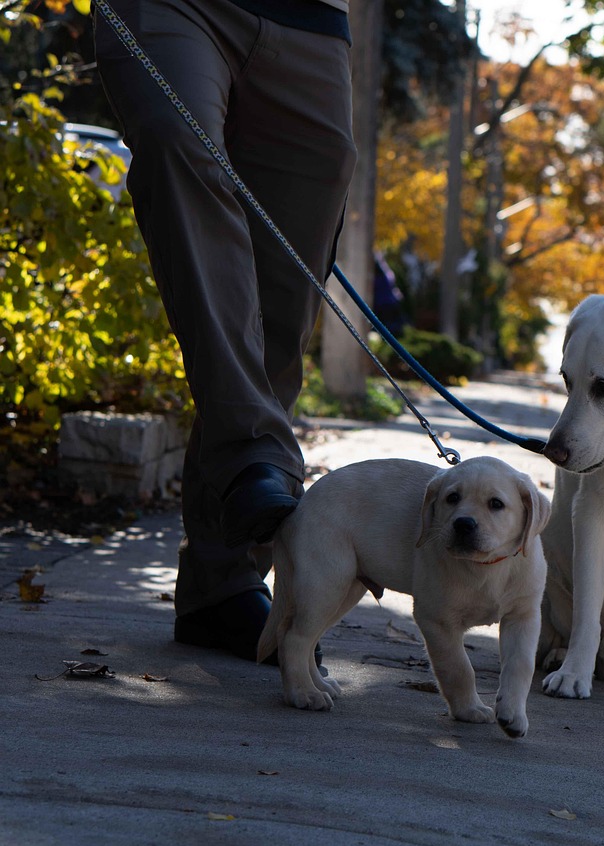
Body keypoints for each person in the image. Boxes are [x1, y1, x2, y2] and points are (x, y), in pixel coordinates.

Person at [94, 0, 356, 661]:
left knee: (278, 311)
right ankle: (256, 452)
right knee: (178, 139)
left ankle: (220, 587)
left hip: (311, 24)